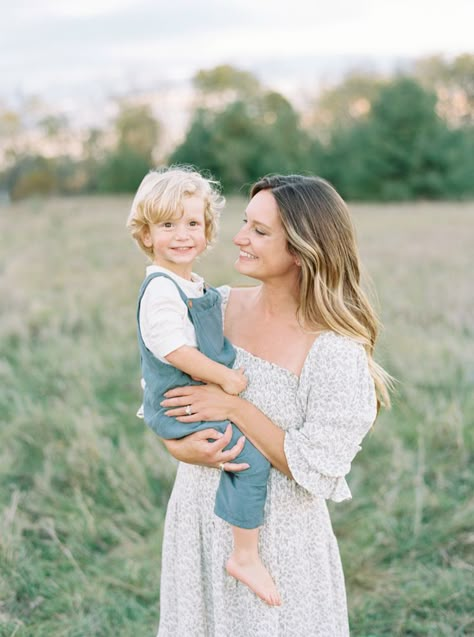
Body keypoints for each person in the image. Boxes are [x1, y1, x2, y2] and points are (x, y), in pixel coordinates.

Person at [155, 174, 392, 636]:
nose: (239, 237)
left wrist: (236, 408)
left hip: (278, 542)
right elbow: (169, 397)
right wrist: (178, 449)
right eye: (246, 223)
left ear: (304, 249)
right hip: (197, 521)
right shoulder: (214, 307)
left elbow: (319, 465)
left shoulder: (335, 349)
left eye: (260, 232)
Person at [126, 166, 281, 606]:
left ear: (207, 229)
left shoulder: (190, 283)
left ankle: (236, 542)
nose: (182, 235)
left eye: (193, 223)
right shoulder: (160, 288)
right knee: (249, 460)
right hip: (183, 404)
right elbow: (173, 349)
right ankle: (244, 555)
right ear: (147, 234)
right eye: (168, 225)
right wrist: (225, 377)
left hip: (195, 397)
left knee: (241, 450)